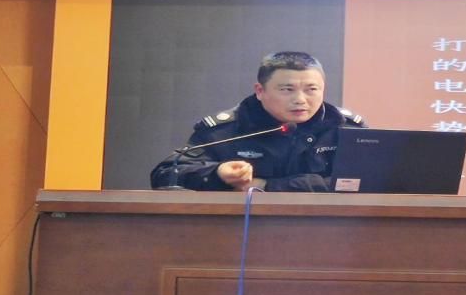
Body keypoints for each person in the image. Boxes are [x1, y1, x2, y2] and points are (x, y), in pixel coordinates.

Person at [150, 51, 365, 192]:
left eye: (311, 90)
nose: (300, 99)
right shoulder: (226, 130)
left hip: (329, 232)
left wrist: (265, 185)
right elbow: (166, 174)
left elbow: (368, 183)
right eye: (287, 90)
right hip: (239, 233)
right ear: (260, 91)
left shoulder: (346, 128)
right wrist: (217, 173)